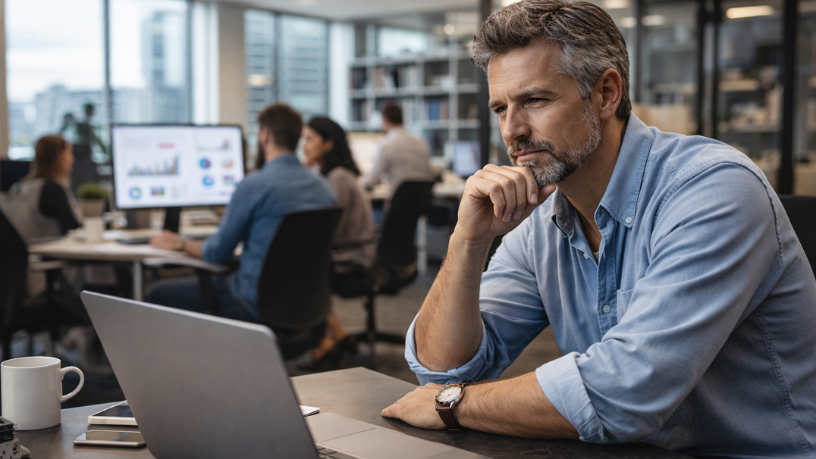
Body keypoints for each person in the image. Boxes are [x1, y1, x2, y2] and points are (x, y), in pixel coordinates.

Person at [382, 1, 816, 457]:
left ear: (606, 94)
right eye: (500, 108)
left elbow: (625, 392)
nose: (512, 130)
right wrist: (468, 241)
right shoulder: (545, 221)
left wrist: (454, 404)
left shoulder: (714, 189)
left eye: (534, 100)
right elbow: (443, 371)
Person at [147, 104, 337, 322]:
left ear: (264, 136)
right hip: (307, 305)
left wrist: (179, 243)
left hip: (251, 304)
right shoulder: (324, 187)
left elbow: (217, 253)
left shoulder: (254, 185)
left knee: (157, 293)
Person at [301, 117, 376, 363]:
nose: (304, 145)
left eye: (310, 139)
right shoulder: (332, 175)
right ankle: (337, 334)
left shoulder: (338, 178)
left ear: (329, 144)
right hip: (347, 250)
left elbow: (329, 230)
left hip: (353, 256)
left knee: (301, 270)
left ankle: (326, 339)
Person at [9, 135, 80, 240]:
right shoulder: (53, 189)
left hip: (23, 252)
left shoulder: (18, 187)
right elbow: (72, 227)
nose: (72, 159)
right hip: (49, 252)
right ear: (59, 156)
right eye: (69, 153)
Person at [365, 105, 432, 199]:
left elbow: (371, 182)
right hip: (421, 205)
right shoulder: (422, 142)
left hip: (397, 205)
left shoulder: (385, 144)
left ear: (385, 119)